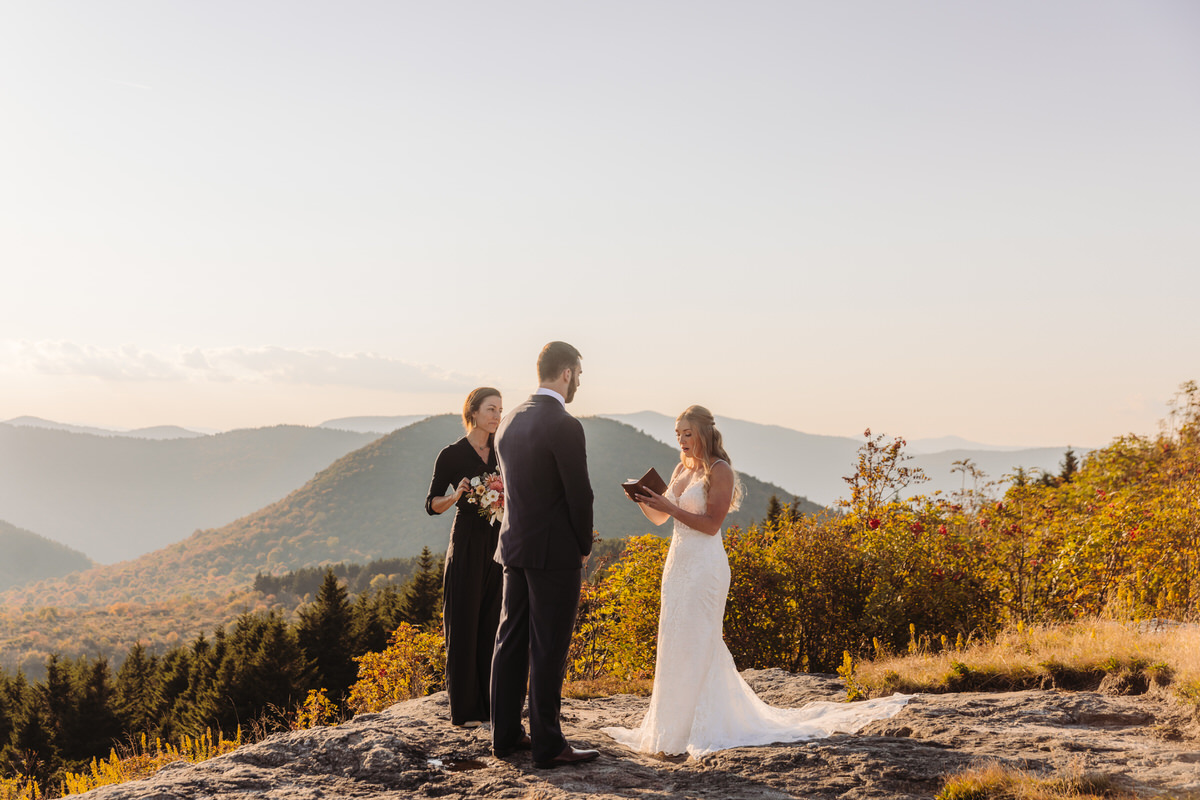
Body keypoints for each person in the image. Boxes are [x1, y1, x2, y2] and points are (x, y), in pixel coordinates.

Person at [602, 405, 910, 757]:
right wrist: (645, 500)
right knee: (675, 639)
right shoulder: (680, 469)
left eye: (688, 433)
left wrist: (669, 508)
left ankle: (707, 724)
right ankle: (673, 727)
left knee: (701, 640)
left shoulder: (720, 470)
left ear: (703, 433)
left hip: (705, 566)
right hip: (678, 564)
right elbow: (660, 517)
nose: (682, 441)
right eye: (678, 434)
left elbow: (711, 524)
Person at [490, 341, 599, 769]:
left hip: (513, 546)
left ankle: (504, 735)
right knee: (548, 647)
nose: (579, 383)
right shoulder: (564, 424)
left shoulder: (510, 419)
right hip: (553, 553)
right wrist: (583, 545)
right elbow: (579, 494)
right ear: (568, 372)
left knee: (509, 640)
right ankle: (549, 745)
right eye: (580, 375)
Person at [424, 388, 505, 728]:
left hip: (499, 542)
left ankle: (492, 705)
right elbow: (431, 504)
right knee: (463, 622)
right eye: (490, 409)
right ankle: (465, 710)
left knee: (493, 622)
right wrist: (455, 495)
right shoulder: (452, 454)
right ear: (473, 411)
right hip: (468, 542)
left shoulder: (503, 451)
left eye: (500, 410)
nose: (497, 416)